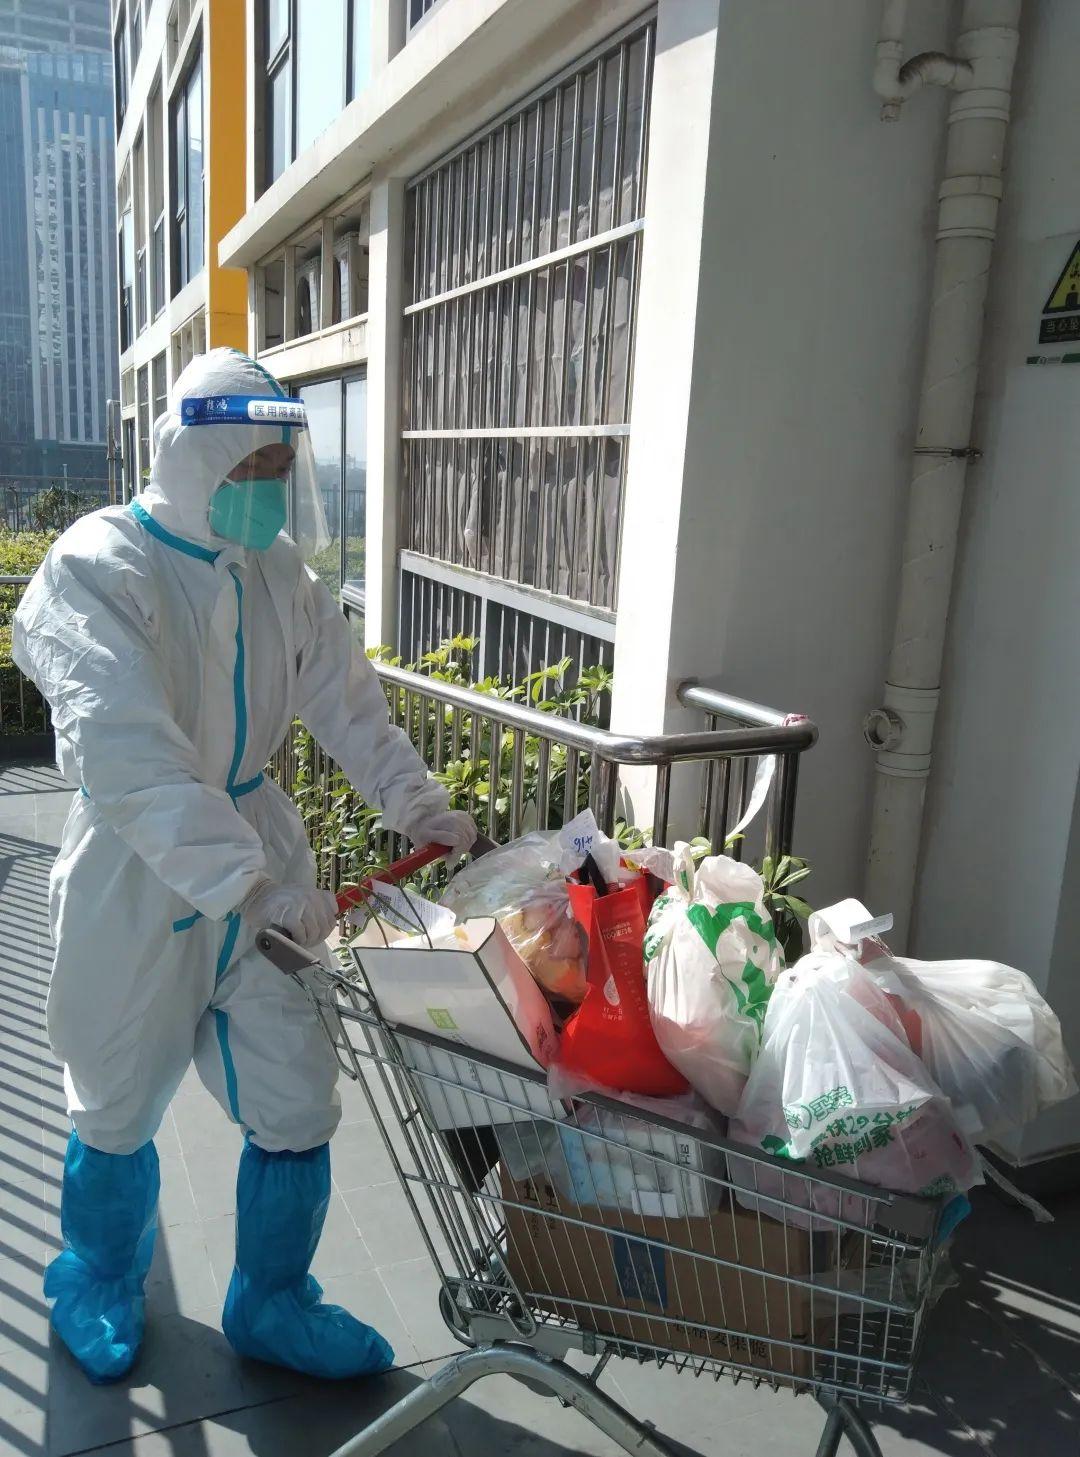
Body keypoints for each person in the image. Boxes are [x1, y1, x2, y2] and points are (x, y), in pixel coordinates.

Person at [13, 349, 476, 1385]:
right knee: (115, 1092)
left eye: (280, 466)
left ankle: (271, 1297)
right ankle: (97, 1275)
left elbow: (350, 706)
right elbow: (130, 756)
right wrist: (255, 887)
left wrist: (419, 805)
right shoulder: (101, 567)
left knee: (298, 1088)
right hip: (136, 870)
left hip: (256, 849)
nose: (268, 486)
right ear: (197, 458)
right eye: (251, 465)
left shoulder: (278, 575)